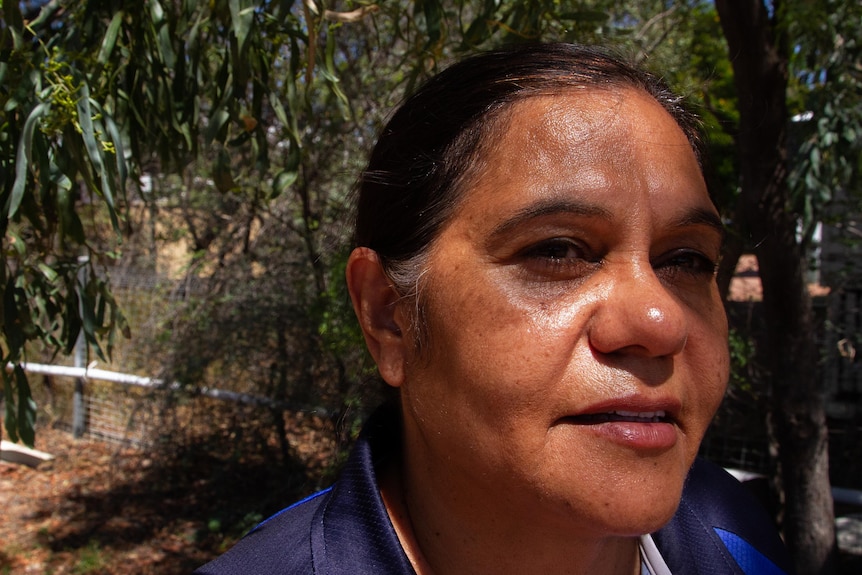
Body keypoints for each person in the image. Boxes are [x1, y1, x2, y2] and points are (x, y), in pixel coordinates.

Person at [195, 43, 793, 575]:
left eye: (685, 260)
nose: (660, 322)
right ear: (388, 315)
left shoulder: (738, 533)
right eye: (556, 250)